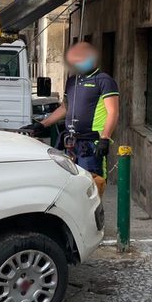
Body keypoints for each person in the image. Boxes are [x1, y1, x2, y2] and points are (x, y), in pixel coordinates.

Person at [22, 42, 119, 195]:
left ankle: (93, 218)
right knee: (68, 187)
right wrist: (42, 125)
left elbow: (113, 112)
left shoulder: (104, 81)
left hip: (91, 143)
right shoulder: (72, 80)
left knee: (91, 186)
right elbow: (64, 107)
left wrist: (105, 138)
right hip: (70, 143)